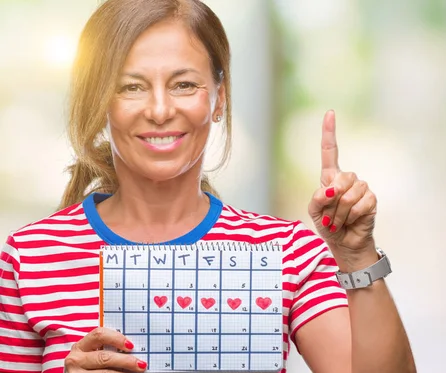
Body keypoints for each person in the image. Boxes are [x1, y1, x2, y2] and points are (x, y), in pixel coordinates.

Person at [0, 1, 416, 372]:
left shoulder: (285, 251)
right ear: (99, 101)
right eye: (131, 86)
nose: (160, 110)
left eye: (183, 84)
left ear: (219, 98)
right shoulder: (29, 256)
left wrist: (358, 256)